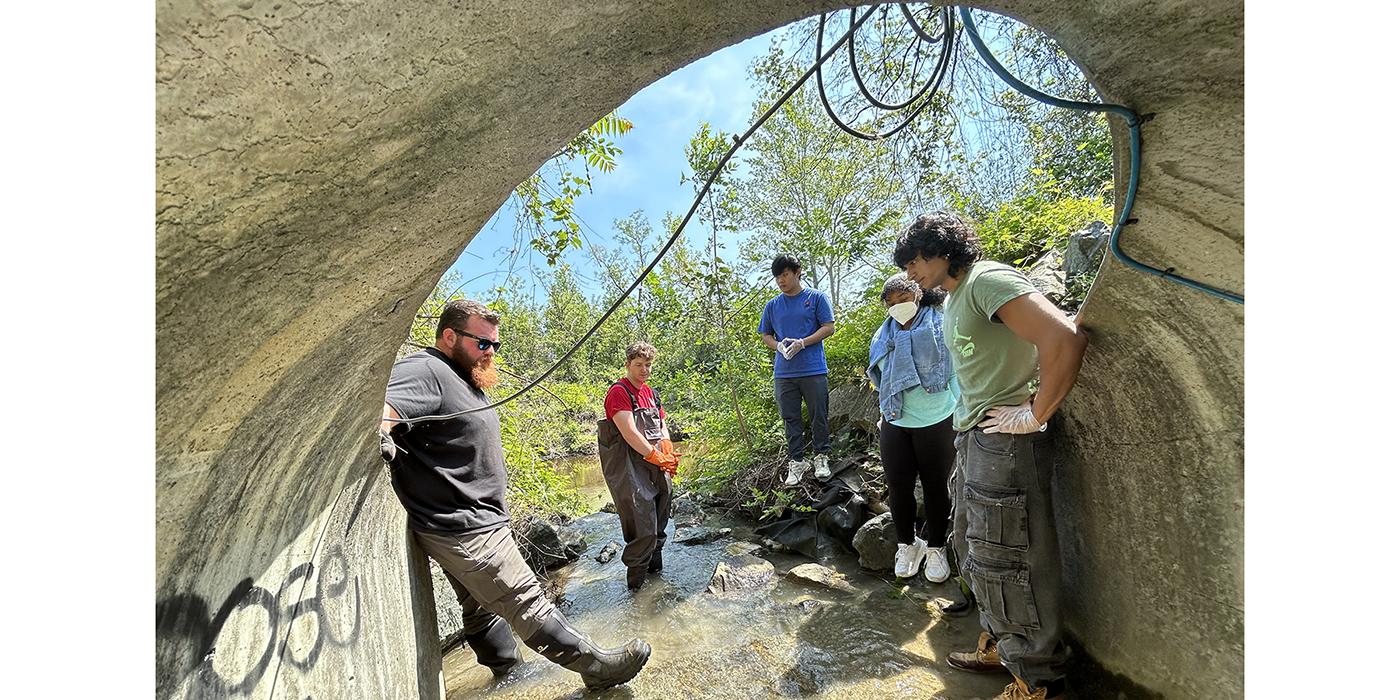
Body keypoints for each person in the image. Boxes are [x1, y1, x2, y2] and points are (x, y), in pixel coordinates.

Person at [379, 299, 650, 691]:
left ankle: (507, 676)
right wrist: (382, 433)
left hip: (475, 518)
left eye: (495, 345)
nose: (490, 353)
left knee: (479, 607)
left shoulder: (463, 375)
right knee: (526, 600)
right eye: (483, 344)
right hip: (464, 526)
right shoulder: (426, 370)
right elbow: (387, 407)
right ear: (450, 336)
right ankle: (596, 666)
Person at [894, 213, 1088, 700]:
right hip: (975, 437)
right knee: (975, 549)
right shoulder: (956, 297)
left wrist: (1035, 412)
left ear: (943, 250)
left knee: (1010, 557)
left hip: (1005, 441)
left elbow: (1063, 337)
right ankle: (1002, 647)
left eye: (916, 259)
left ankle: (1037, 679)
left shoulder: (986, 280)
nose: (911, 271)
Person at [866, 274, 958, 583]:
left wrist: (959, 404)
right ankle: (907, 544)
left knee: (934, 486)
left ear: (919, 295)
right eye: (891, 303)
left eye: (903, 300)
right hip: (895, 420)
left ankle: (935, 546)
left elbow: (956, 366)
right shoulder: (883, 334)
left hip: (936, 418)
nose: (898, 307)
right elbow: (879, 375)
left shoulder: (941, 323)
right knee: (898, 487)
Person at [597, 341, 678, 590]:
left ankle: (656, 581)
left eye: (648, 365)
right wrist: (655, 456)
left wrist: (666, 445)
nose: (644, 370)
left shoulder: (651, 392)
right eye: (639, 365)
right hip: (628, 467)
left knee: (660, 521)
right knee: (643, 528)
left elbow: (661, 423)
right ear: (628, 365)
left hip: (653, 462)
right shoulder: (619, 392)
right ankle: (636, 592)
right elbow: (630, 432)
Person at [757, 254, 836, 486]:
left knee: (818, 414)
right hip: (784, 373)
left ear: (797, 272)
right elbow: (765, 335)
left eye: (785, 274)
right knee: (790, 418)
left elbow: (829, 328)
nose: (781, 280)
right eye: (777, 276)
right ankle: (797, 461)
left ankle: (821, 457)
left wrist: (803, 342)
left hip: (813, 369)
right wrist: (779, 346)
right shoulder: (772, 305)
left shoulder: (816, 298)